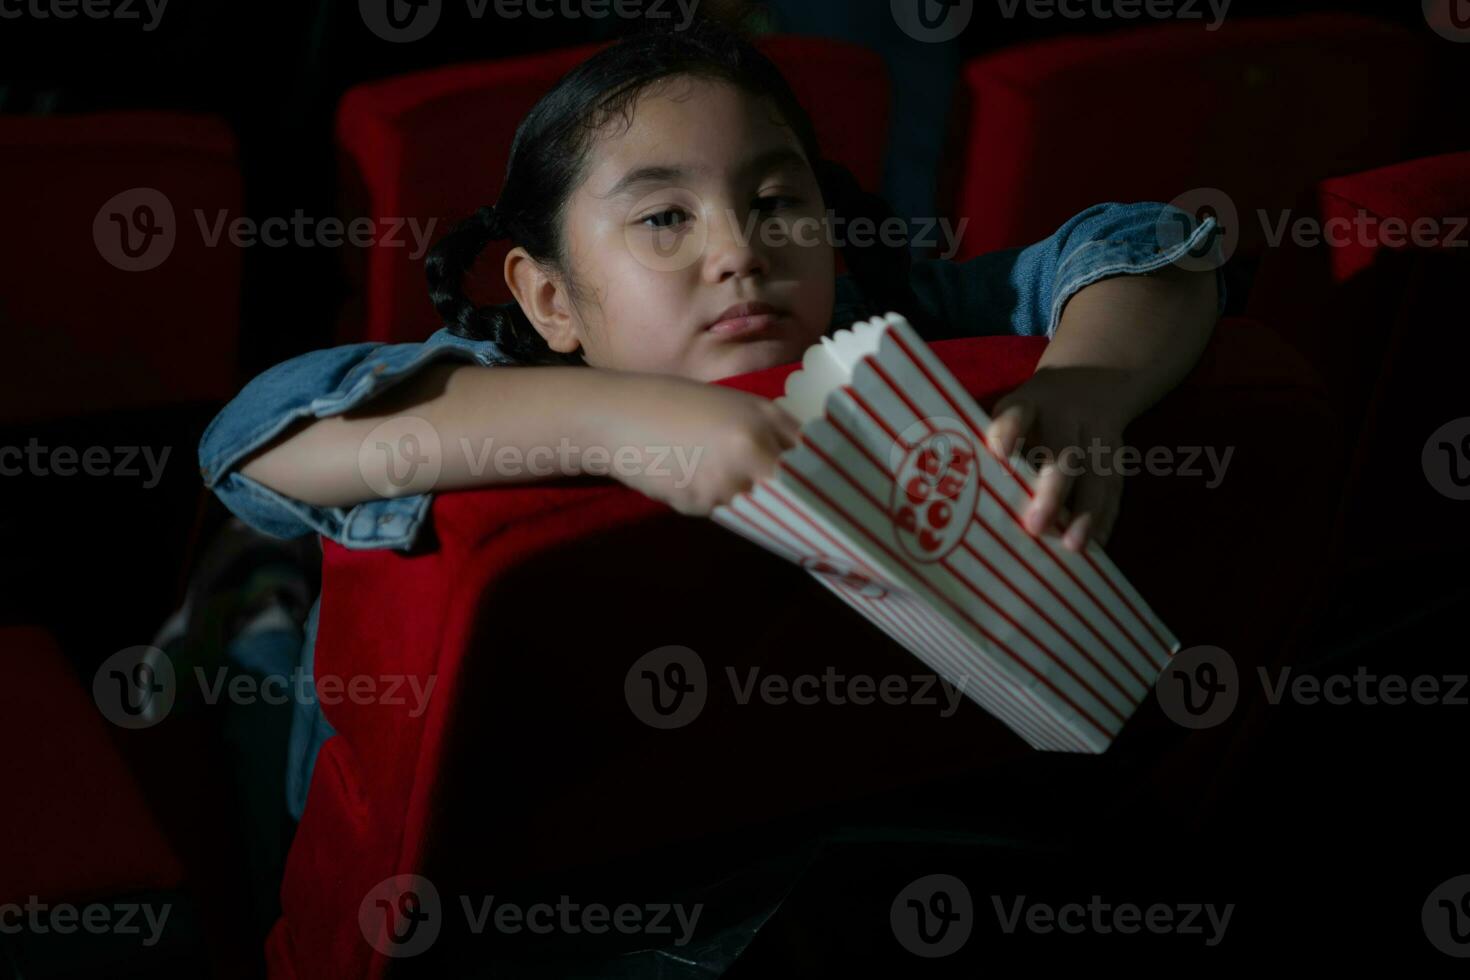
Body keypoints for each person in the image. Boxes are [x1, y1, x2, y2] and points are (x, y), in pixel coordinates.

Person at [197, 16, 1224, 830]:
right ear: (550, 300)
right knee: (252, 642)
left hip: (785, 835)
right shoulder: (506, 390)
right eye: (663, 218)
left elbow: (1149, 243)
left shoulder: (892, 327)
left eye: (777, 201)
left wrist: (1090, 387)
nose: (739, 248)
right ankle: (243, 605)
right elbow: (250, 441)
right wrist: (623, 424)